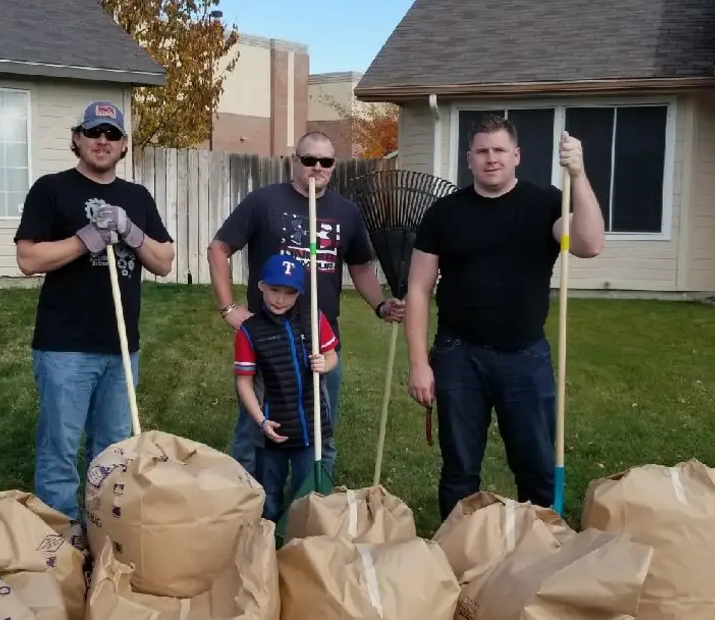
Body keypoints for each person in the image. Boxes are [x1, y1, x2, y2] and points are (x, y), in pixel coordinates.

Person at [405, 114, 605, 521]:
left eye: (499, 150)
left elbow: (589, 243)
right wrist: (419, 364)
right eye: (482, 151)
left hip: (525, 357)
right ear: (469, 158)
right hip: (458, 355)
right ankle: (459, 555)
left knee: (536, 467)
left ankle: (541, 550)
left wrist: (579, 175)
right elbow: (418, 289)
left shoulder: (547, 201)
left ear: (516, 155)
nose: (490, 158)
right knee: (459, 469)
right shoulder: (444, 213)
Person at [14, 99, 175, 525]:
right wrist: (84, 239)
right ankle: (61, 543)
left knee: (114, 452)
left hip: (121, 349)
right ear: (77, 139)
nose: (102, 141)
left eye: (112, 134)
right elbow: (28, 259)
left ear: (124, 146)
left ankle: (104, 531)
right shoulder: (51, 189)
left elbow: (163, 260)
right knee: (60, 451)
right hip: (65, 346)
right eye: (94, 132)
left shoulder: (136, 197)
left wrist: (130, 229)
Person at [208, 130, 404, 478]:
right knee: (255, 432)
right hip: (267, 341)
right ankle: (247, 510)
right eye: (309, 159)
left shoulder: (346, 212)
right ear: (294, 161)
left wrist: (379, 305)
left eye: (325, 161)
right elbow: (219, 248)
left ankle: (313, 508)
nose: (317, 167)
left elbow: (359, 266)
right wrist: (228, 308)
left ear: (333, 166)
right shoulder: (263, 202)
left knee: (320, 433)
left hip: (321, 344)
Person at [234, 253, 339, 523]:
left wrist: (324, 364)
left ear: (300, 293)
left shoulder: (312, 318)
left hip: (311, 428)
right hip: (273, 432)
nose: (280, 299)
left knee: (308, 497)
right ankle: (267, 542)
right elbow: (243, 382)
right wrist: (261, 421)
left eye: (289, 292)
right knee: (268, 496)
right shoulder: (249, 331)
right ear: (261, 287)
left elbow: (332, 356)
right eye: (274, 290)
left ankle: (300, 541)